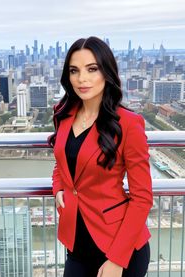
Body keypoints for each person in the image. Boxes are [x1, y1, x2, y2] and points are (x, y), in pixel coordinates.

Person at [50, 36, 153, 277]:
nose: (82, 79)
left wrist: (117, 259)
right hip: (76, 243)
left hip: (119, 246)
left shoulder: (128, 124)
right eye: (74, 71)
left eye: (92, 69)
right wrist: (58, 189)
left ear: (106, 72)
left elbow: (142, 197)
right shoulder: (63, 114)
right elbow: (61, 162)